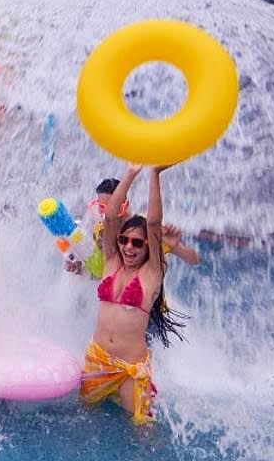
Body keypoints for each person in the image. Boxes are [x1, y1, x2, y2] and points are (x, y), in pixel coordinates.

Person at [80, 164, 186, 425]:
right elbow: (111, 218)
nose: (128, 247)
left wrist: (154, 175)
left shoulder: (152, 273)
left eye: (137, 242)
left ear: (148, 245)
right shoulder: (111, 262)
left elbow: (153, 222)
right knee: (85, 418)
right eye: (124, 240)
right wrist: (129, 174)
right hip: (98, 358)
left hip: (130, 367)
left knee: (141, 429)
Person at [67, 177, 200, 277]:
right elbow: (102, 273)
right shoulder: (100, 231)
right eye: (100, 207)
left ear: (124, 204)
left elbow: (193, 259)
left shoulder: (146, 227)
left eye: (109, 207)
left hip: (148, 305)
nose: (104, 212)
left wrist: (173, 244)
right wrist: (79, 269)